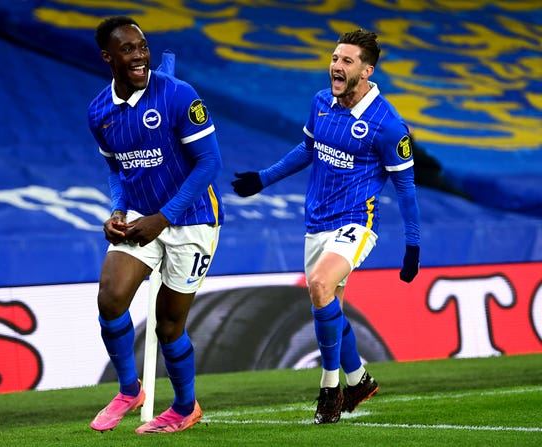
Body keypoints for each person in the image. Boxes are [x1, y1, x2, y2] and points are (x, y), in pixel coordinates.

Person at [232, 28, 420, 424]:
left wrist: (412, 246)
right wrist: (263, 179)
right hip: (315, 222)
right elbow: (307, 149)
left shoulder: (387, 126)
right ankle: (360, 380)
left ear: (366, 71)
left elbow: (405, 188)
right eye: (335, 58)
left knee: (319, 285)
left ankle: (330, 389)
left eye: (347, 60)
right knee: (326, 302)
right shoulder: (321, 102)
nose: (336, 65)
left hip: (356, 222)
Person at [87, 16, 224, 434]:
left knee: (169, 326)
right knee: (110, 298)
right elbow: (117, 170)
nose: (140, 56)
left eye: (143, 47)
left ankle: (185, 407)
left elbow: (210, 164)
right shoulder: (99, 112)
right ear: (108, 57)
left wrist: (163, 219)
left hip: (192, 219)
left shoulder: (179, 95)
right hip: (139, 217)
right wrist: (116, 211)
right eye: (128, 49)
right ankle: (130, 390)